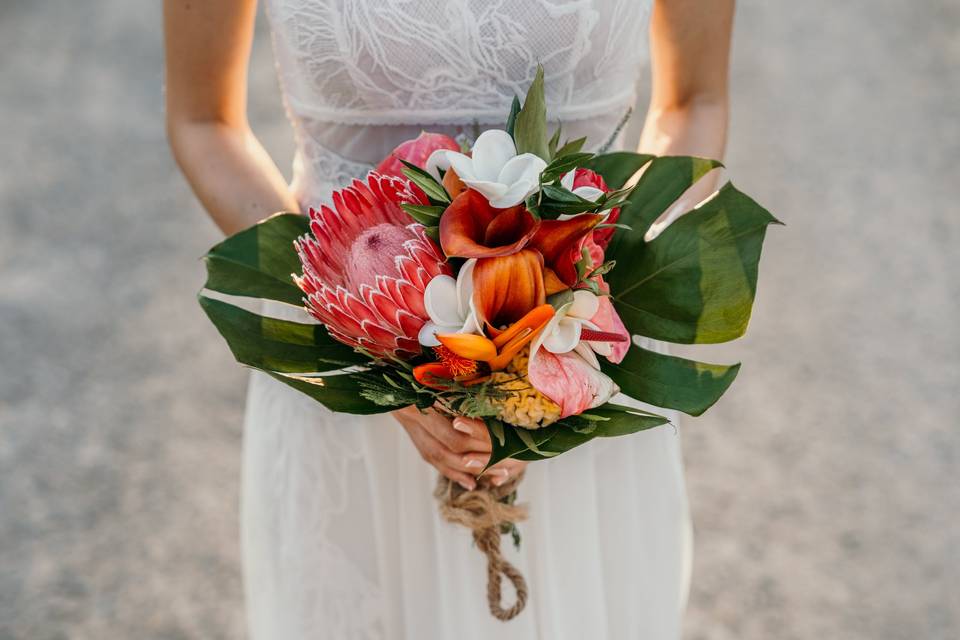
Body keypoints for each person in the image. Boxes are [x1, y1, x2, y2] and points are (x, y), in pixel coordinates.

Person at [164, 1, 734, 637]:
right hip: (344, 379)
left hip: (581, 374)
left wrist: (568, 328)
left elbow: (694, 102)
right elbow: (203, 120)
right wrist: (361, 339)